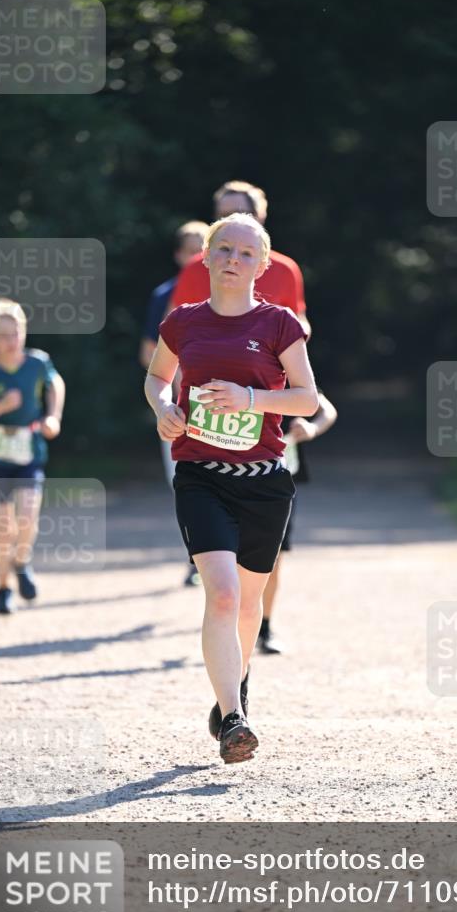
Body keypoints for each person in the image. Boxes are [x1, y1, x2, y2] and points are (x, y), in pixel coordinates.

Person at [145, 213, 318, 764]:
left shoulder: (279, 324)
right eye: (223, 249)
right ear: (206, 255)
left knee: (247, 606)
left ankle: (233, 691)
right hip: (200, 476)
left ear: (262, 265)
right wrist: (164, 408)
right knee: (221, 593)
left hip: (264, 482)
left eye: (246, 253)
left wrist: (251, 400)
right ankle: (235, 721)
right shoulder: (182, 322)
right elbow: (157, 377)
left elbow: (307, 398)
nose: (233, 260)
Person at [0, 297, 65, 614]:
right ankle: (3, 588)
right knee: (4, 526)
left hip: (29, 454)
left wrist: (53, 416)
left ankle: (22, 561)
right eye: (3, 335)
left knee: (28, 516)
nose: (12, 340)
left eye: (17, 331)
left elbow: (55, 383)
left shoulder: (37, 363)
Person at [139, 220, 209, 588]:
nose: (199, 256)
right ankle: (198, 556)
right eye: (192, 250)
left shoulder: (233, 294)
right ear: (179, 255)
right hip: (180, 406)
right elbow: (148, 353)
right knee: (183, 482)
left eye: (205, 249)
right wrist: (176, 384)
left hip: (226, 407)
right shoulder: (164, 296)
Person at [167, 181, 311, 336]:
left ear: (259, 217)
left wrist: (290, 335)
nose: (232, 221)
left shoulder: (285, 269)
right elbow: (173, 328)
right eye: (223, 215)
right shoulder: (194, 267)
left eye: (239, 213)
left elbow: (299, 322)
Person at [257, 390, 338, 654]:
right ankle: (230, 621)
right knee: (232, 558)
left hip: (281, 480)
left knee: (273, 559)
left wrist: (311, 428)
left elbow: (327, 410)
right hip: (229, 477)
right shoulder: (231, 370)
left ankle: (264, 628)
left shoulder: (291, 372)